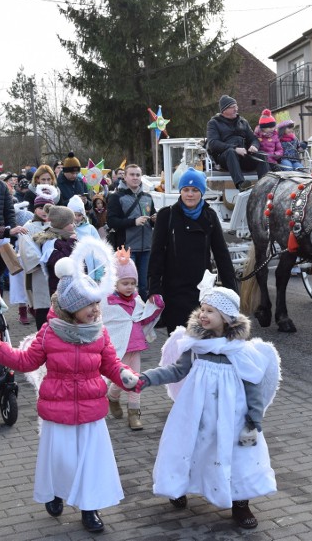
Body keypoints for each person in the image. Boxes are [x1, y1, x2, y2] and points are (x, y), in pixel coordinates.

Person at [0, 241, 136, 533]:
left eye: (96, 304)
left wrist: (125, 376)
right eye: (88, 305)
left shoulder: (99, 332)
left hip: (91, 410)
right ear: (72, 307)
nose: (94, 310)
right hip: (58, 409)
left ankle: (90, 509)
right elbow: (26, 360)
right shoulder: (50, 332)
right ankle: (55, 492)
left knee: (89, 463)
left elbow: (111, 364)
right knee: (61, 460)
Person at [130, 277, 280, 529]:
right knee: (188, 446)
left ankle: (240, 503)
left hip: (231, 416)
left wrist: (254, 417)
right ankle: (177, 485)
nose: (203, 315)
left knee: (237, 454)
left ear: (227, 317)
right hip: (195, 413)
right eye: (202, 310)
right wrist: (145, 378)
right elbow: (176, 370)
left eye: (210, 311)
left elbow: (253, 384)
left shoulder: (240, 351)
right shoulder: (195, 345)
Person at [148, 168, 237, 334]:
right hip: (174, 291)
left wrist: (231, 291)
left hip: (202, 292)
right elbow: (157, 254)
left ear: (201, 192)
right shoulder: (166, 216)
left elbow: (221, 254)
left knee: (202, 341)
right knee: (180, 342)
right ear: (180, 191)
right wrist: (154, 289)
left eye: (195, 190)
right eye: (186, 190)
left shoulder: (209, 216)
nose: (190, 194)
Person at [100, 247, 164, 430]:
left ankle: (134, 413)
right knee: (121, 379)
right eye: (124, 283)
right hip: (116, 350)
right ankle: (112, 396)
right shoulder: (107, 302)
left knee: (135, 379)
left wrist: (156, 308)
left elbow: (143, 318)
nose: (129, 287)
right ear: (114, 283)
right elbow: (104, 323)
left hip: (134, 347)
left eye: (132, 283)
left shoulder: (137, 300)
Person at [106, 164, 156, 295]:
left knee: (144, 286)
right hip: (127, 250)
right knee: (127, 286)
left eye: (138, 175)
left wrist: (154, 219)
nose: (135, 178)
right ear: (125, 177)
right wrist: (134, 222)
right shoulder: (116, 197)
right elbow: (111, 221)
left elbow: (151, 219)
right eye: (132, 175)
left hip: (146, 248)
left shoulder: (148, 197)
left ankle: (143, 314)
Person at [18, 188, 57, 330]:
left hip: (55, 271)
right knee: (42, 304)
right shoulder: (28, 227)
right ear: (35, 209)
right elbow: (26, 248)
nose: (44, 211)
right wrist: (40, 260)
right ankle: (41, 334)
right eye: (40, 207)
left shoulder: (56, 226)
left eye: (48, 208)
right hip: (39, 271)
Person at [206, 94, 263, 191]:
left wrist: (254, 146)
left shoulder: (243, 122)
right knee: (230, 152)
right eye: (232, 107)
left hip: (244, 157)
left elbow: (254, 139)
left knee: (261, 156)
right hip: (226, 158)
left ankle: (265, 185)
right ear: (224, 110)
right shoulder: (214, 123)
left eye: (236, 106)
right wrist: (235, 149)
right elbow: (213, 143)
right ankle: (241, 184)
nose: (236, 109)